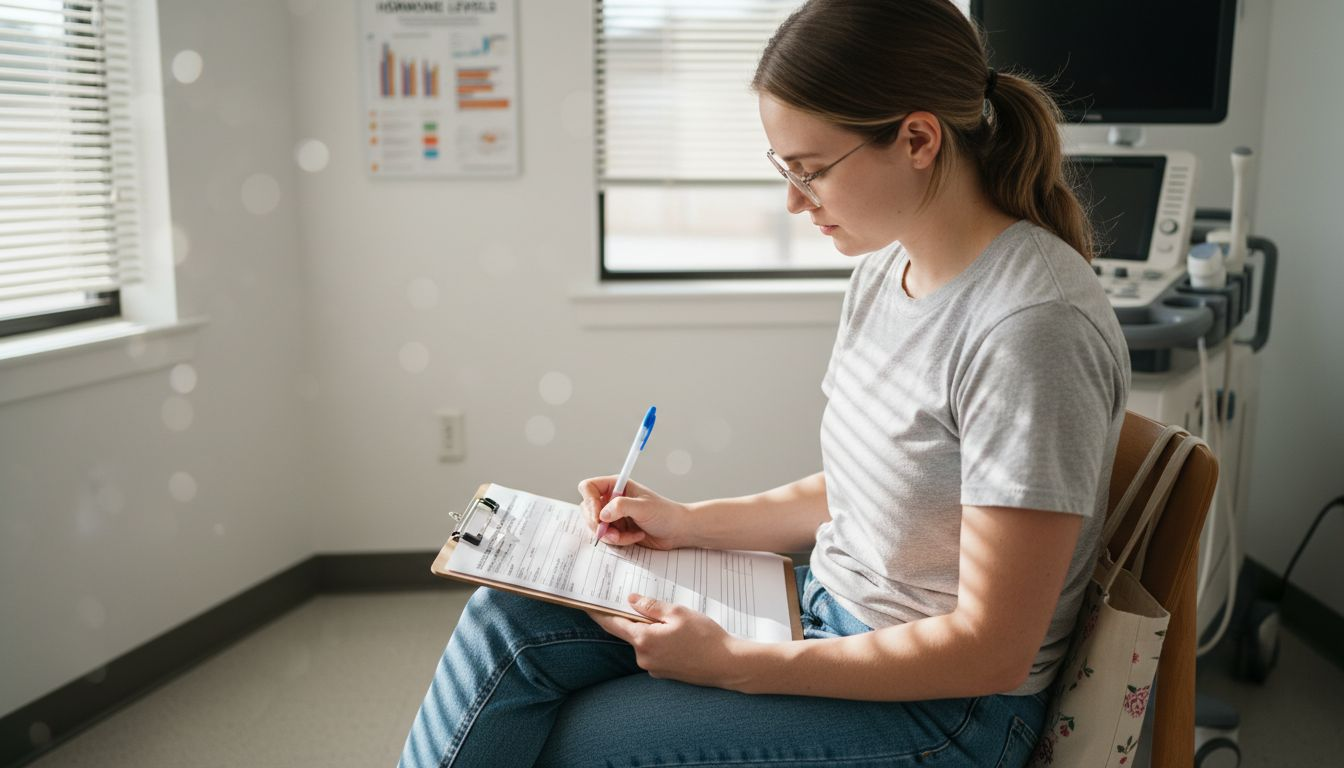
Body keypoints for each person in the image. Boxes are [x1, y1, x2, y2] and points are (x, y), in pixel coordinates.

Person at [399, 0, 1129, 765]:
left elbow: (993, 651)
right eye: (784, 170)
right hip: (823, 611)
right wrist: (687, 523)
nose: (793, 200)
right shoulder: (889, 267)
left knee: (574, 743)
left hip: (946, 712)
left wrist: (740, 667)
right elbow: (868, 492)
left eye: (810, 171)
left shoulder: (1032, 328)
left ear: (918, 138)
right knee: (507, 618)